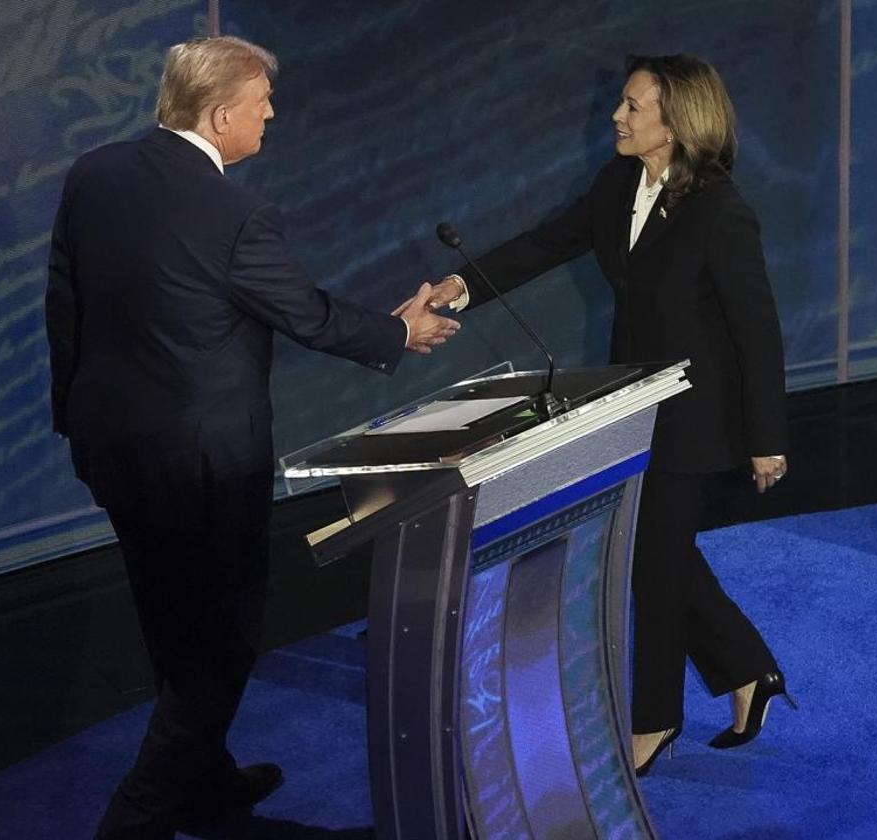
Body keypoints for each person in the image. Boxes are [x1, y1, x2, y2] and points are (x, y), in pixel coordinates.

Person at [45, 35, 460, 840]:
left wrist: (77, 421)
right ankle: (134, 820)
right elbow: (304, 314)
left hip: (113, 448)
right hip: (205, 464)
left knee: (172, 622)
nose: (272, 112)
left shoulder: (93, 174)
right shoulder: (236, 214)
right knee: (222, 645)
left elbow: (64, 308)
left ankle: (201, 785)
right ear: (222, 111)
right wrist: (395, 330)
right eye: (263, 101)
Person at [424, 53, 795, 776]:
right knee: (664, 554)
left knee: (653, 567)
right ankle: (751, 671)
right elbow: (546, 242)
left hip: (695, 415)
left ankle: (655, 721)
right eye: (622, 104)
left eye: (632, 107)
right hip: (633, 403)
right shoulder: (618, 181)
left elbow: (758, 331)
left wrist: (766, 439)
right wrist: (461, 285)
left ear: (676, 121)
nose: (616, 117)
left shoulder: (721, 210)